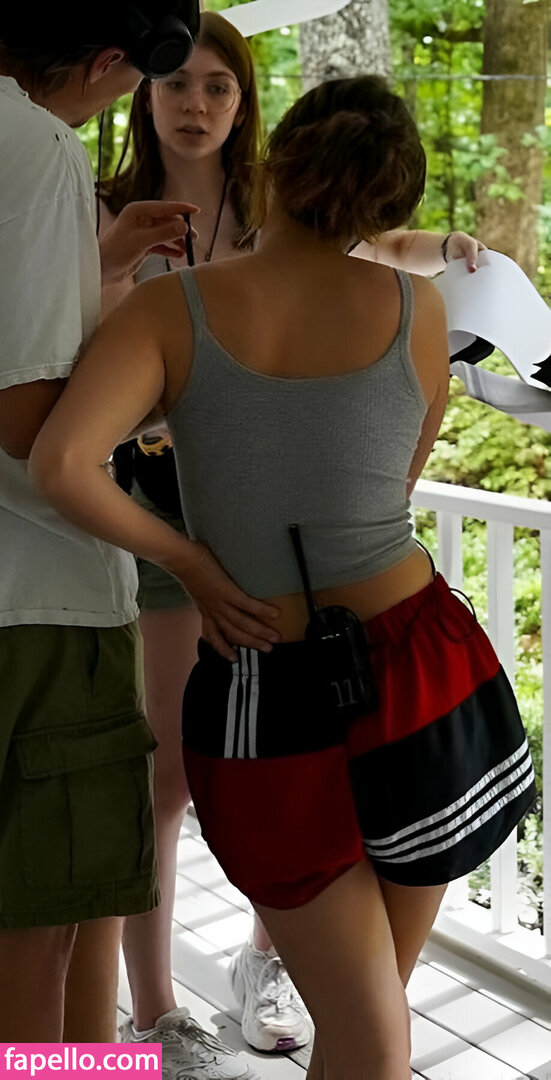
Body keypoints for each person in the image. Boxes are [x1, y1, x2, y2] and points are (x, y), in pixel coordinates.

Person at [31, 73, 536, 1078]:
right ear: (386, 201)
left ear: (273, 167)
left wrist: (189, 561)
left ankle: (141, 1024)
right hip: (422, 663)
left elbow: (60, 462)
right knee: (373, 1021)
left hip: (264, 678)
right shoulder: (416, 305)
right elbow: (390, 484)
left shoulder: (173, 308)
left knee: (363, 1028)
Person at [0, 4, 270, 1065]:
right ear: (116, 65)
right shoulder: (38, 146)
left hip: (51, 589)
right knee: (47, 934)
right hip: (46, 598)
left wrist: (100, 262)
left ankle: (128, 1045)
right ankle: (140, 1029)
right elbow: (38, 431)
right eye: (162, 82)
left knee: (73, 910)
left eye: (218, 85)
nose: (190, 103)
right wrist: (157, 404)